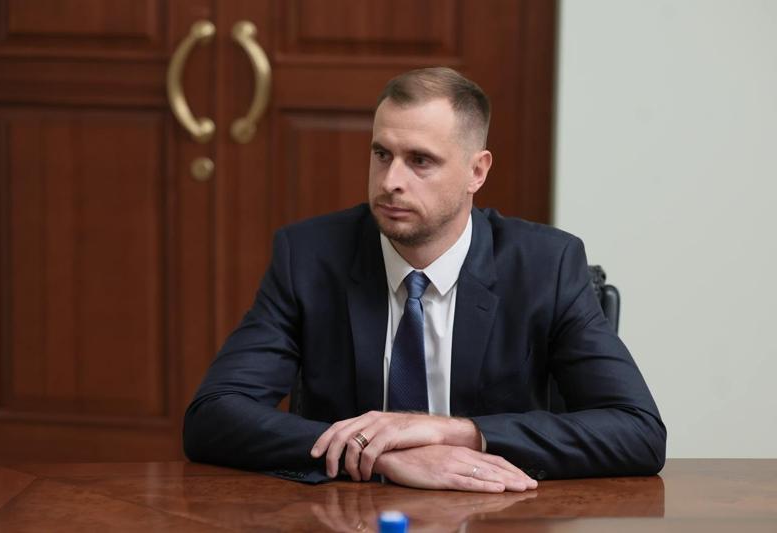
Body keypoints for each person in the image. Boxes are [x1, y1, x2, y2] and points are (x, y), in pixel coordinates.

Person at [183, 67, 666, 493]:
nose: (390, 180)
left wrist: (456, 433)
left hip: (496, 514)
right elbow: (213, 415)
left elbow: (637, 432)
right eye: (381, 154)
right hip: (349, 513)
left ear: (477, 171)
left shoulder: (546, 266)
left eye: (420, 160)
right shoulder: (310, 257)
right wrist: (379, 454)